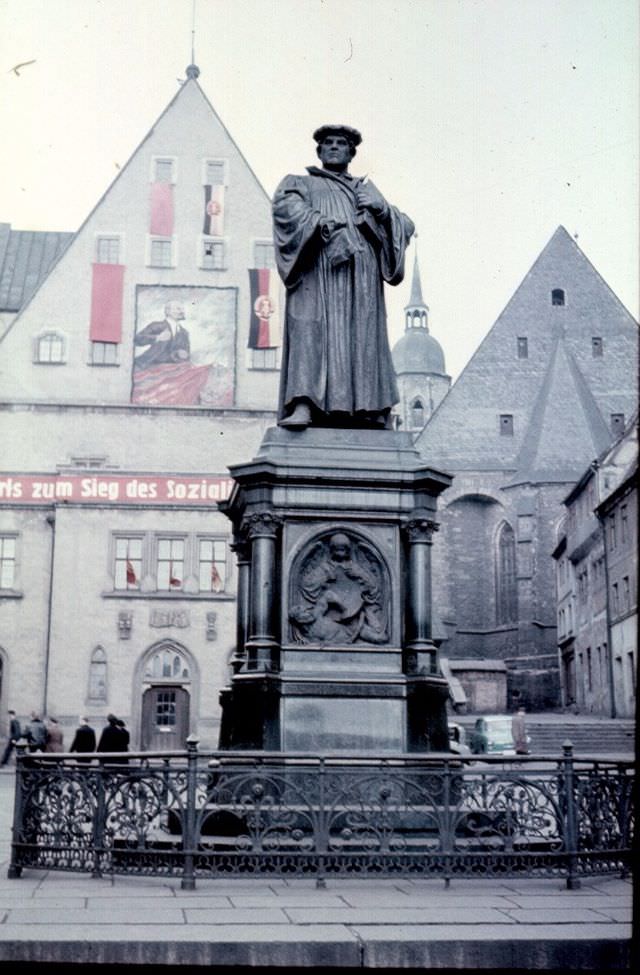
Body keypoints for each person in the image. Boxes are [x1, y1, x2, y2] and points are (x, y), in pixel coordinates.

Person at [273, 124, 415, 430]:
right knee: (310, 331)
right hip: (317, 271)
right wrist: (325, 226)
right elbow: (287, 211)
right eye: (328, 143)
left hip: (361, 276)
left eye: (341, 143)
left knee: (363, 338)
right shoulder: (299, 183)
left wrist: (382, 210)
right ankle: (304, 403)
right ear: (319, 151)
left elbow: (406, 225)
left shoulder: (366, 190)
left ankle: (371, 407)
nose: (334, 147)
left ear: (352, 153)